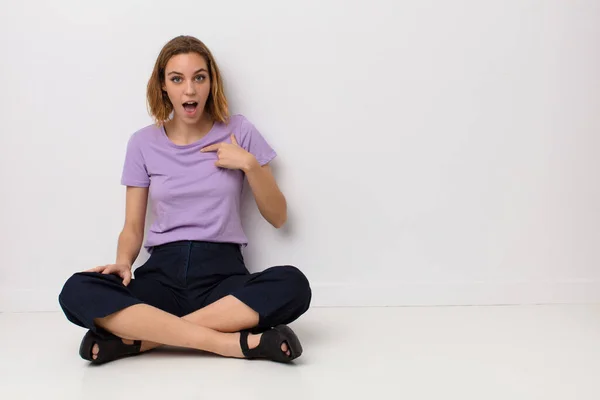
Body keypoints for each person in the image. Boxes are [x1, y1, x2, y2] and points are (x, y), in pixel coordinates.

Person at [58, 35, 312, 365]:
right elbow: (133, 226)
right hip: (160, 278)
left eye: (199, 78)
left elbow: (278, 216)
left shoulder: (239, 131)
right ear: (163, 86)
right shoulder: (142, 143)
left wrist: (248, 164)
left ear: (211, 82)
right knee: (76, 290)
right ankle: (232, 344)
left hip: (222, 279)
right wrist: (122, 261)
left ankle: (140, 340)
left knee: (293, 284)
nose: (189, 90)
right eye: (177, 79)